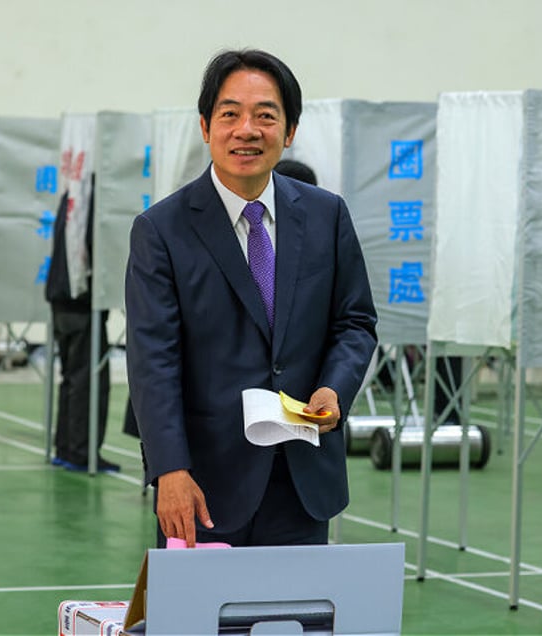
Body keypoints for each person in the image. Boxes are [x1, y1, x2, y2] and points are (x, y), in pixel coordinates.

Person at [125, 49, 377, 547]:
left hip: (304, 478)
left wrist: (334, 390)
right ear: (205, 126)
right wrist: (169, 469)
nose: (247, 129)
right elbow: (153, 360)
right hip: (204, 486)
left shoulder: (327, 216)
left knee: (297, 622)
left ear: (289, 131)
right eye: (230, 114)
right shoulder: (161, 230)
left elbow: (355, 322)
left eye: (265, 115)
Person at [45, 178, 119, 473]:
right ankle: (82, 452)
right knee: (89, 379)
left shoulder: (72, 194)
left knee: (72, 377)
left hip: (61, 296)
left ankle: (66, 448)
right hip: (81, 301)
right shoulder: (97, 200)